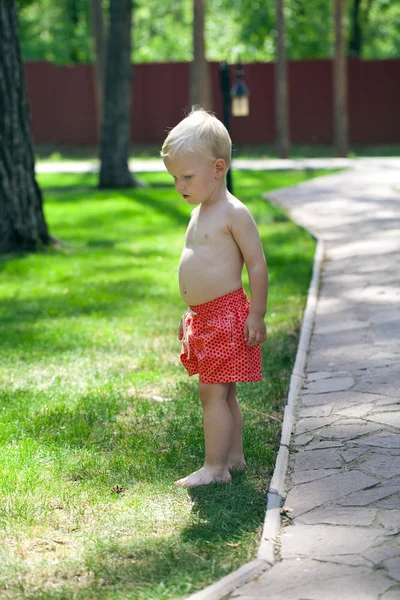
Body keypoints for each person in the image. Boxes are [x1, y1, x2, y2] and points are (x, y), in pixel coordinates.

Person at [161, 108, 268, 488]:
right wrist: (189, 311)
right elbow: (200, 264)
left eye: (187, 176)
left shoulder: (233, 213)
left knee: (213, 392)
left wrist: (256, 314)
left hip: (226, 316)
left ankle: (215, 467)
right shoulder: (201, 211)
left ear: (219, 168)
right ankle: (234, 458)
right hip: (205, 315)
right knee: (224, 393)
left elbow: (256, 265)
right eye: (175, 178)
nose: (180, 185)